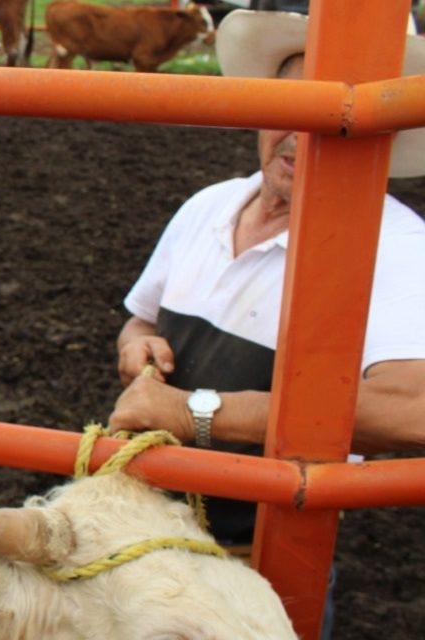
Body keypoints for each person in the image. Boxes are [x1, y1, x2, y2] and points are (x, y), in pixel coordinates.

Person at [108, 9, 425, 638]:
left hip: (252, 560)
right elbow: (138, 319)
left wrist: (195, 412)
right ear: (263, 105)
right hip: (139, 529)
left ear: (378, 130)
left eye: (332, 113)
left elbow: (413, 409)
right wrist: (138, 349)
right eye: (295, 101)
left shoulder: (399, 244)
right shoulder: (209, 204)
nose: (305, 131)